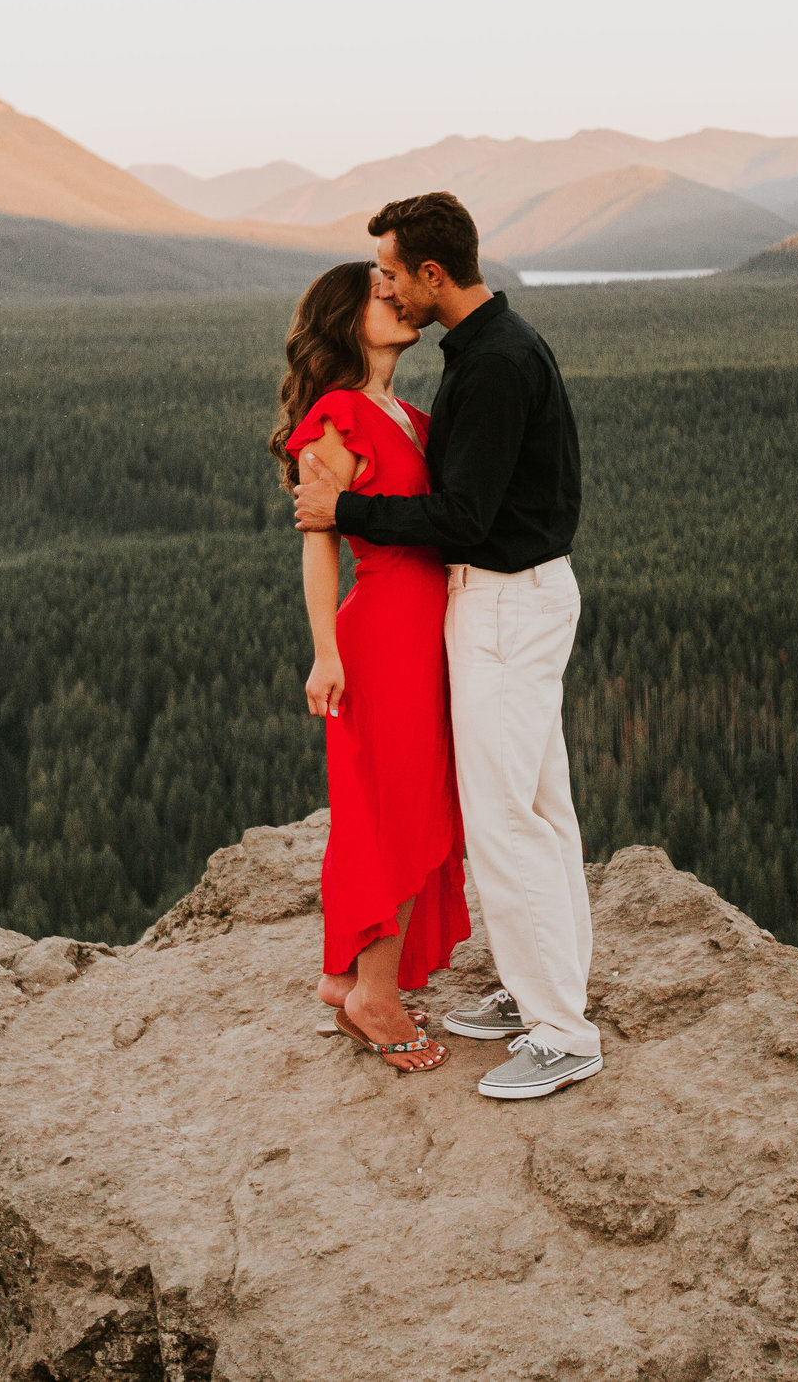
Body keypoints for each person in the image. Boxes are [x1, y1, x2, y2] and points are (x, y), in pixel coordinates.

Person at [293, 192, 600, 1101]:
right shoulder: (482, 354)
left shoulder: (494, 364)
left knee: (507, 817)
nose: (384, 285)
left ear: (433, 275)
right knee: (533, 808)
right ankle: (539, 991)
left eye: (391, 272)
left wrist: (344, 508)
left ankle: (560, 1028)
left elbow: (461, 515)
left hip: (503, 607)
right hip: (466, 613)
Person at [272, 260, 470, 1074]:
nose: (399, 300)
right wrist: (325, 651)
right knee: (400, 809)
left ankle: (342, 976)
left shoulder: (410, 417)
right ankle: (373, 994)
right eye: (382, 295)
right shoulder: (337, 416)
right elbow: (319, 545)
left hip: (423, 628)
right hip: (384, 629)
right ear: (347, 319)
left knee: (398, 801)